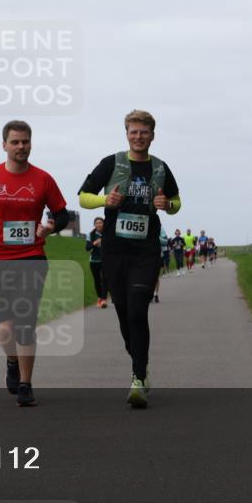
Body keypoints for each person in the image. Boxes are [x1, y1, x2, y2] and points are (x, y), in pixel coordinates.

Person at [78, 110, 181, 408]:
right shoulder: (111, 163)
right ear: (126, 134)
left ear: (152, 135)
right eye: (134, 132)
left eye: (144, 132)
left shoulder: (161, 168)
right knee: (123, 311)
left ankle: (138, 378)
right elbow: (83, 196)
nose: (139, 137)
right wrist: (103, 200)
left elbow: (176, 201)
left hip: (146, 250)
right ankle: (141, 364)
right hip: (114, 250)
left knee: (138, 309)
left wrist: (167, 204)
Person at [0, 120, 69, 407]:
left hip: (32, 258)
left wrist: (51, 226)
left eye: (25, 142)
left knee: (25, 323)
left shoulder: (43, 179)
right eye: (15, 142)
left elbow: (61, 213)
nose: (20, 147)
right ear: (4, 145)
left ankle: (25, 384)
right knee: (5, 328)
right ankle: (12, 361)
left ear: (31, 144)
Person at [86, 217, 107, 309]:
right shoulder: (91, 234)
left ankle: (103, 300)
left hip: (105, 260)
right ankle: (99, 298)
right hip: (94, 260)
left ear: (103, 224)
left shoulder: (107, 233)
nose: (99, 224)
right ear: (94, 225)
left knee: (105, 279)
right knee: (97, 280)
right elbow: (87, 248)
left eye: (100, 223)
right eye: (97, 223)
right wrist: (95, 243)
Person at [153, 226, 169, 303]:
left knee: (155, 276)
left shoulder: (160, 228)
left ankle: (155, 294)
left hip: (157, 255)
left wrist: (155, 238)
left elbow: (165, 241)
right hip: (144, 257)